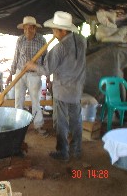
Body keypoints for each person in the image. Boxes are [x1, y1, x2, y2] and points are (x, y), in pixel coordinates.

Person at [26, 11, 86, 161]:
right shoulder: (82, 40)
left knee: (61, 123)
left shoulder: (59, 49)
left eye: (54, 30)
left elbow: (46, 70)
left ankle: (63, 153)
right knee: (76, 120)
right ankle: (77, 150)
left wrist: (32, 66)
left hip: (62, 91)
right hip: (77, 89)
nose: (53, 32)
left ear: (63, 31)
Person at [6, 16, 48, 136]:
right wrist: (11, 74)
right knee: (18, 100)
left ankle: (38, 125)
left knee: (36, 101)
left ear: (35, 29)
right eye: (25, 29)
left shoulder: (42, 40)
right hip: (20, 72)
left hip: (34, 74)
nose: (28, 32)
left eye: (30, 29)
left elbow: (46, 60)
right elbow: (16, 58)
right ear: (23, 29)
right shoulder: (20, 40)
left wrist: (48, 77)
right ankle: (18, 126)